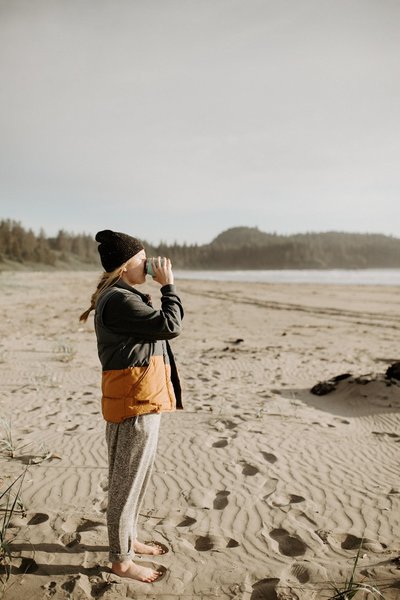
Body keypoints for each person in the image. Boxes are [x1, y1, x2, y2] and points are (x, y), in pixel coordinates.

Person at [79, 229, 184, 583]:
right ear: (125, 267)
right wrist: (168, 286)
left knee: (135, 479)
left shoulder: (121, 295)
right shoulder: (120, 300)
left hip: (139, 398)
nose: (150, 264)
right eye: (143, 260)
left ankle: (129, 539)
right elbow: (170, 326)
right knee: (125, 483)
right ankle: (121, 560)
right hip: (134, 403)